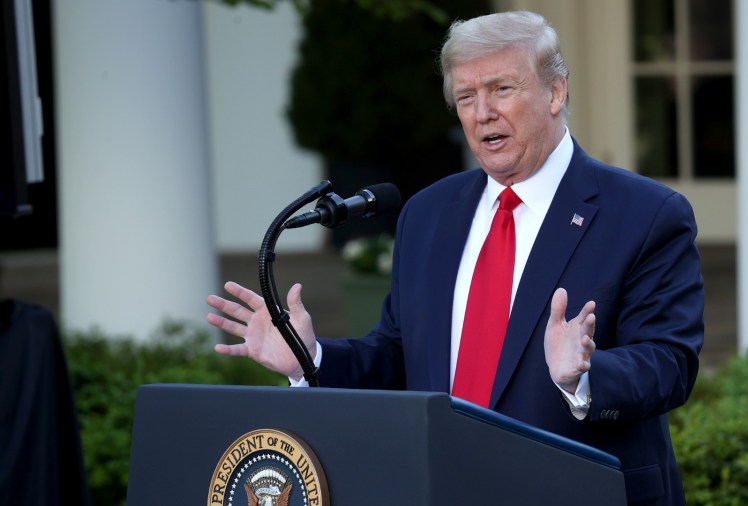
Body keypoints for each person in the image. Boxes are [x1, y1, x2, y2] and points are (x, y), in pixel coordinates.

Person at [207, 10, 704, 506]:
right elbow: (400, 356)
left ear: (556, 92)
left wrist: (588, 374)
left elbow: (670, 362)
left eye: (502, 89)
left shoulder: (645, 214)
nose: (482, 112)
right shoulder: (428, 214)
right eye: (466, 97)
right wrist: (311, 358)